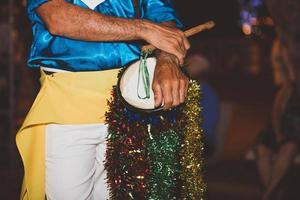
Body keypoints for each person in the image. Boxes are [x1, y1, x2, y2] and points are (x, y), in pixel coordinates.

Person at [16, 0, 190, 199]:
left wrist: (168, 58)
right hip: (67, 108)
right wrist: (144, 28)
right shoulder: (143, 27)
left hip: (129, 105)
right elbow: (57, 18)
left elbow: (164, 18)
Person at [255, 39, 299, 200]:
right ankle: (273, 192)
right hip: (283, 128)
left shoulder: (295, 83)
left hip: (295, 129)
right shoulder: (281, 85)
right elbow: (276, 114)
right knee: (262, 148)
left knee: (288, 147)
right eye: (281, 56)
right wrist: (278, 132)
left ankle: (267, 195)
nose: (284, 57)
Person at [185, 51, 220, 158]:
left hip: (202, 139)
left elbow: (208, 124)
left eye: (192, 65)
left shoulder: (208, 93)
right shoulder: (184, 88)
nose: (188, 68)